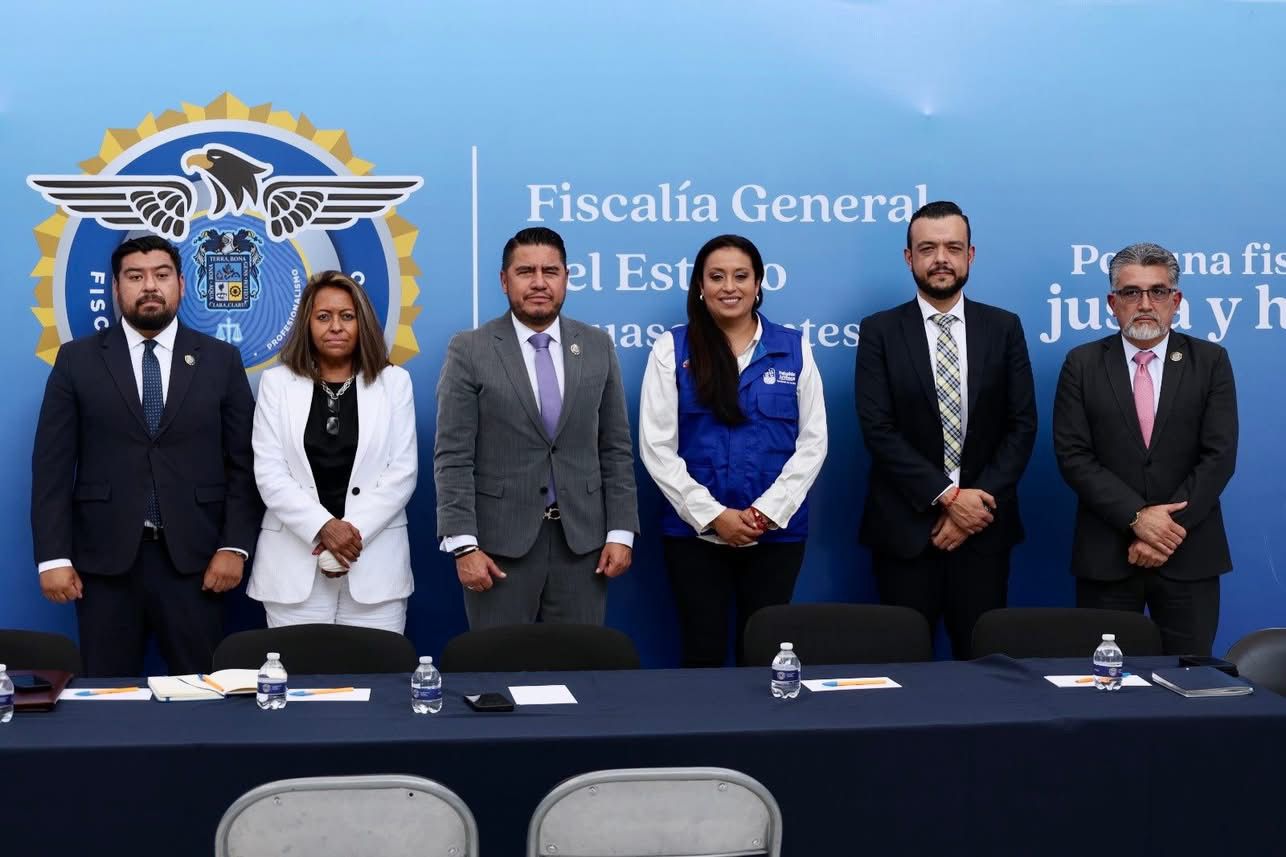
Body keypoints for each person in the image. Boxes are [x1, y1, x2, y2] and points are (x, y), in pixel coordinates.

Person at [31, 235, 261, 676]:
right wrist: (54, 557)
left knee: (204, 700)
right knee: (107, 703)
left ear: (181, 285)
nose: (149, 286)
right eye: (135, 277)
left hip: (197, 564)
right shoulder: (76, 360)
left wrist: (234, 546)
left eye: (161, 275)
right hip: (104, 566)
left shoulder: (219, 360)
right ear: (116, 289)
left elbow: (244, 466)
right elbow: (52, 468)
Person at [855, 201, 1037, 659]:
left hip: (984, 530)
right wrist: (948, 498)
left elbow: (1021, 425)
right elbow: (878, 429)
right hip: (905, 532)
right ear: (908, 257)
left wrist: (974, 505)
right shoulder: (879, 331)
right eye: (928, 248)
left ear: (970, 255)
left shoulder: (1004, 327)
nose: (941, 258)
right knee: (901, 671)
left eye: (953, 247)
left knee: (983, 670)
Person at [434, 227, 638, 628]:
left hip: (583, 548)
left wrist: (621, 532)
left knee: (579, 674)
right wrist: (463, 546)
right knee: (499, 677)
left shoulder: (597, 345)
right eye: (526, 271)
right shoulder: (470, 349)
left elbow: (615, 448)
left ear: (566, 277)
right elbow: (453, 456)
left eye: (551, 271)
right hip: (498, 550)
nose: (540, 282)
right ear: (504, 280)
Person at [640, 235, 827, 667]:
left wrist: (765, 513)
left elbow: (814, 442)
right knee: (701, 651)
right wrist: (712, 516)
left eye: (741, 276)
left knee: (764, 655)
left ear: (758, 283)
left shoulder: (793, 347)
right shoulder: (673, 348)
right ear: (700, 287)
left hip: (775, 534)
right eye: (717, 277)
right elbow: (656, 446)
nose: (730, 287)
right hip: (694, 536)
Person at [1053, 242, 1237, 656]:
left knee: (1192, 685)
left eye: (1157, 292)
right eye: (1131, 292)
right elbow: (1074, 457)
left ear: (1176, 301)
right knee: (1104, 693)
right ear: (1112, 302)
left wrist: (1164, 533)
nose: (1145, 304)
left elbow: (1219, 456)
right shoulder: (1081, 364)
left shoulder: (1210, 361)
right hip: (1108, 558)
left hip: (1189, 555)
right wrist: (1137, 519)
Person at [247, 271, 418, 633]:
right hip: (292, 572)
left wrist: (348, 536)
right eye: (323, 317)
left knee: (376, 685)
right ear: (307, 324)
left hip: (376, 570)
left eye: (347, 316)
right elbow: (270, 474)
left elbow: (402, 474)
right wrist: (323, 528)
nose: (335, 326)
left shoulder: (394, 383)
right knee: (298, 685)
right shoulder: (276, 385)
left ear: (363, 322)